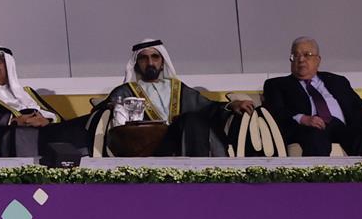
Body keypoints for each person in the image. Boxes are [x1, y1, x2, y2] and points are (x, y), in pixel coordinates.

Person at [105, 39, 252, 157]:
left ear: (162, 63)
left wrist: (232, 105)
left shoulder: (178, 88)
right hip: (148, 148)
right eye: (144, 58)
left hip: (182, 141)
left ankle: (200, 171)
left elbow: (208, 108)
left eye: (155, 57)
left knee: (192, 119)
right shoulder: (125, 91)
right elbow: (105, 110)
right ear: (137, 64)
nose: (150, 63)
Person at [0, 47, 85, 158]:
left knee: (79, 125)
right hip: (10, 133)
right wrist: (14, 120)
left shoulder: (26, 91)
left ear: (9, 65)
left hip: (42, 129)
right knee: (21, 133)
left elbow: (53, 114)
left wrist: (48, 120)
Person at [261, 36, 362, 157]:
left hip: (340, 127)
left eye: (307, 54)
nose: (301, 59)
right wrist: (303, 119)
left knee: (361, 137)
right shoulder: (276, 85)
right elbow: (275, 111)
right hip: (307, 128)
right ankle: (319, 175)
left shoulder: (338, 81)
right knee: (315, 137)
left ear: (318, 60)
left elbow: (360, 108)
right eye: (296, 55)